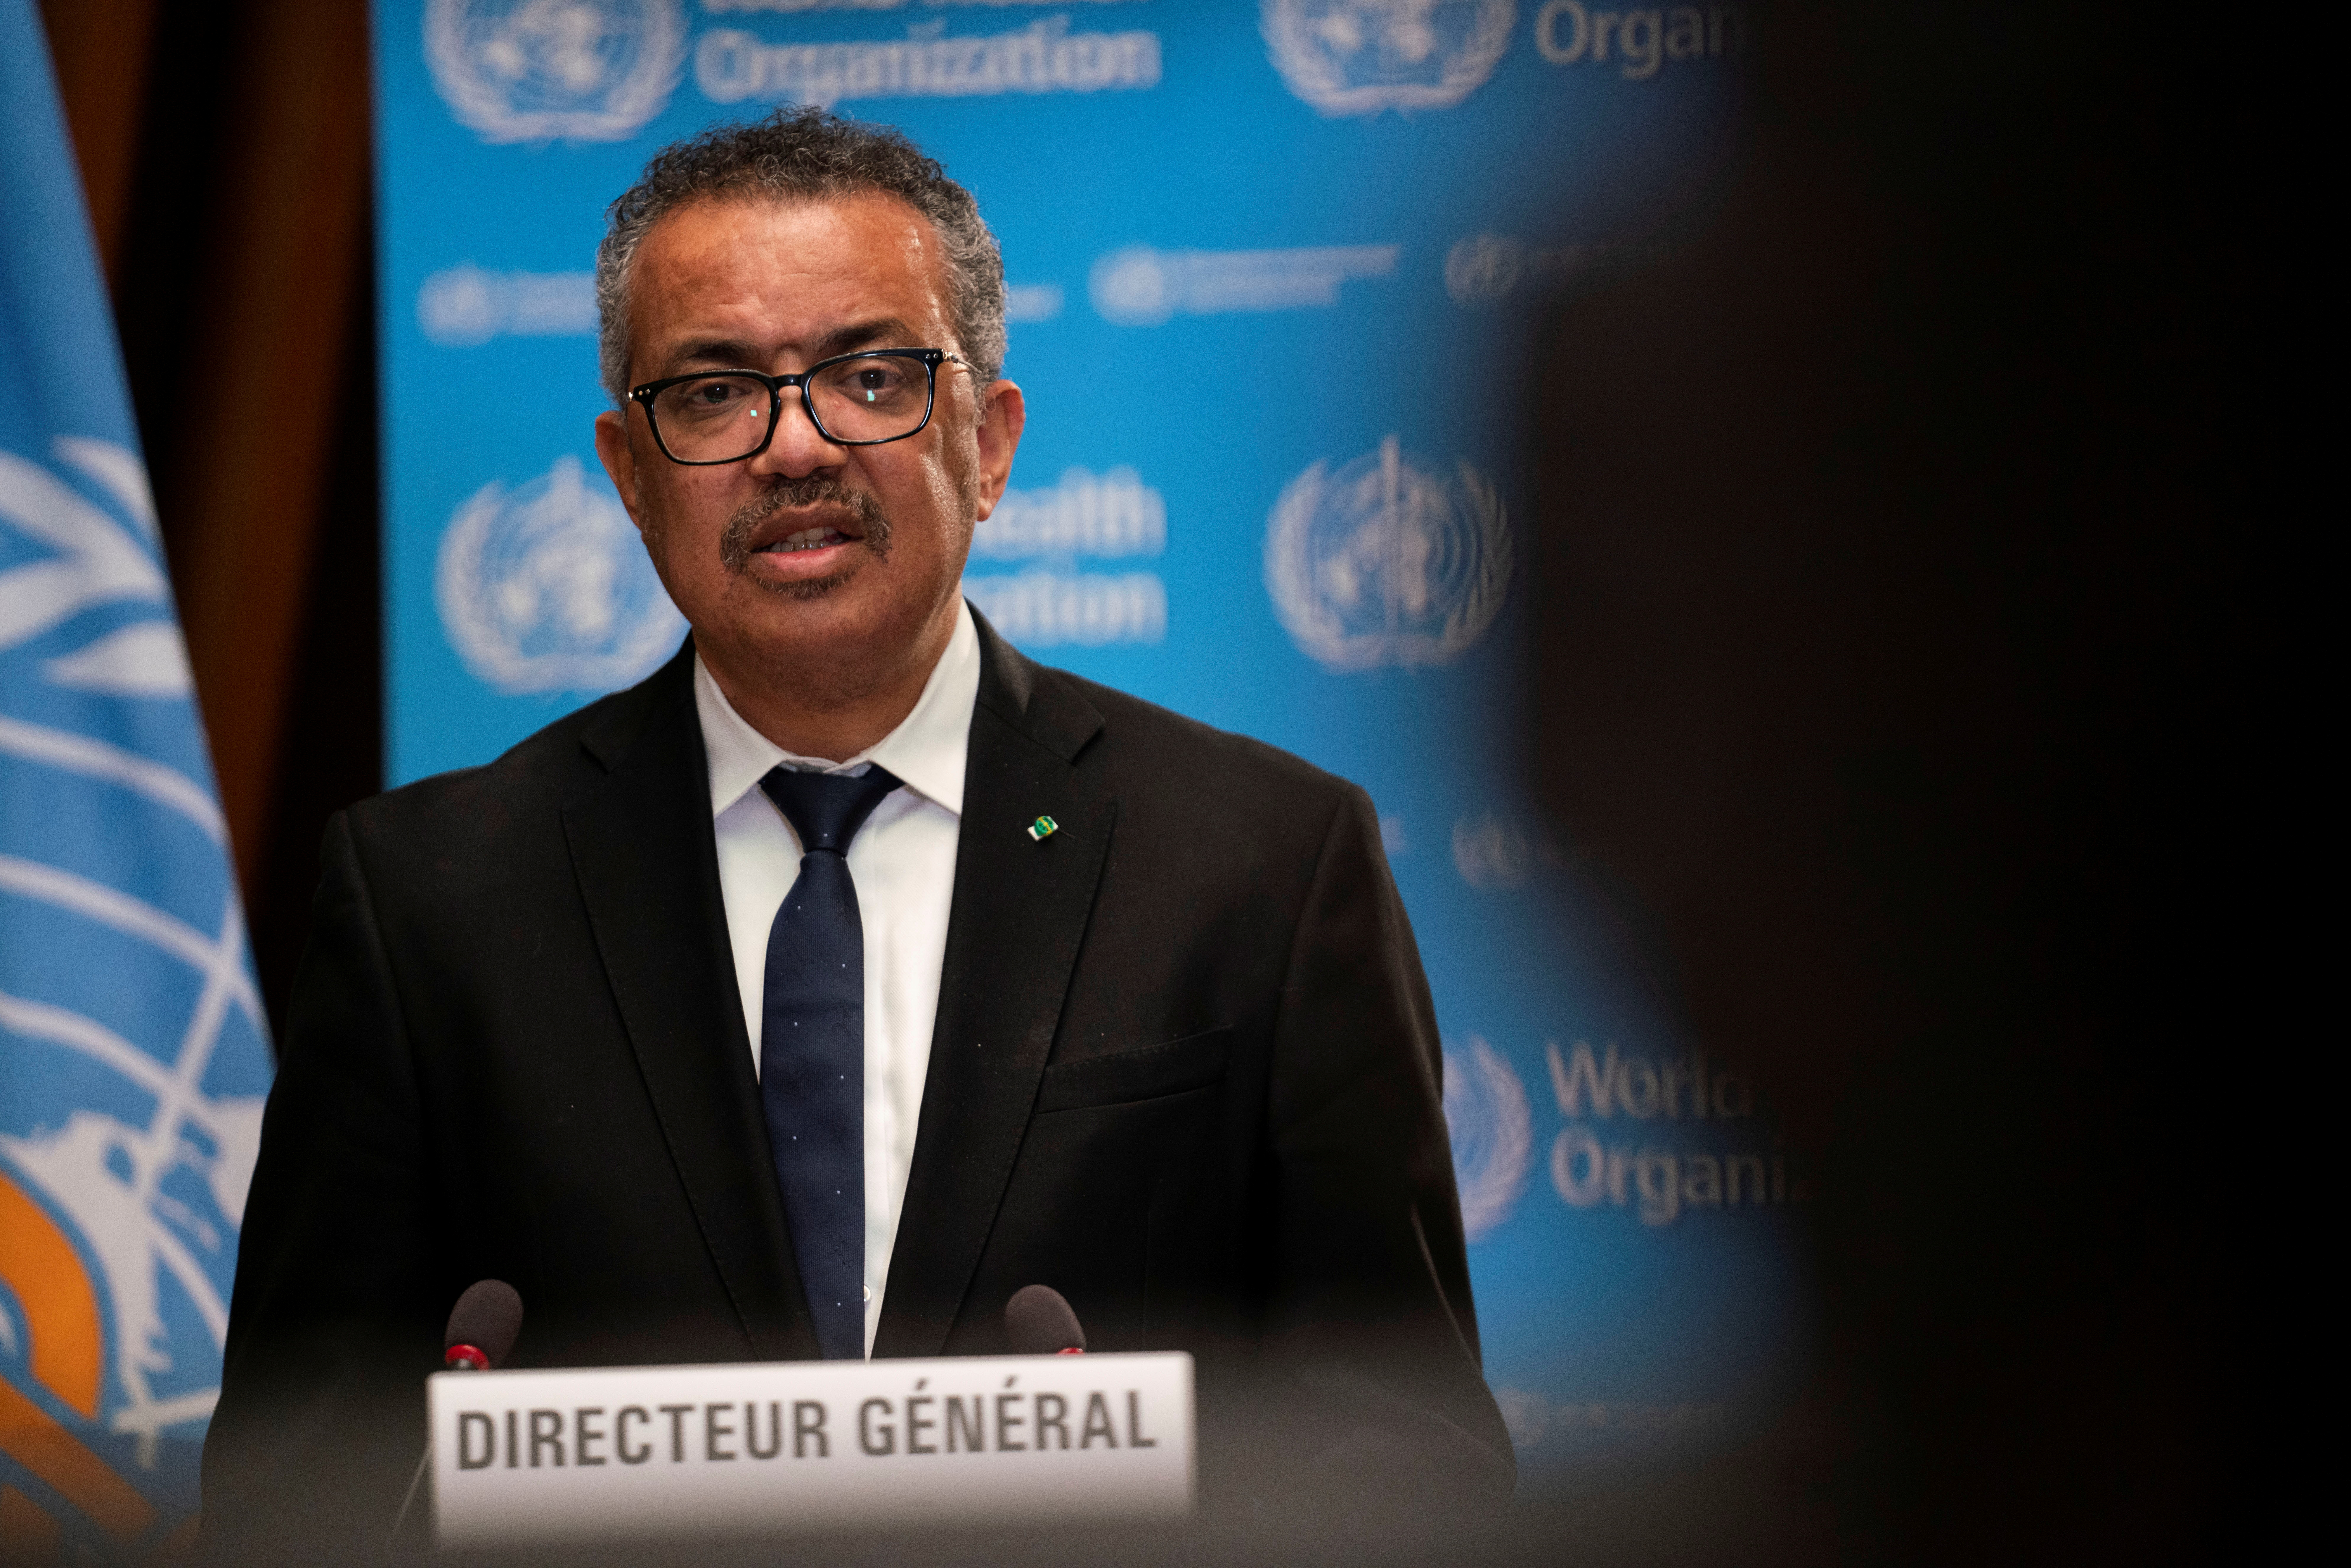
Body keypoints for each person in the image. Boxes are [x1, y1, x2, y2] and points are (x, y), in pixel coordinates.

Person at [199, 108, 1510, 1559]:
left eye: (870, 376)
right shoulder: (431, 900)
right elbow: (293, 1489)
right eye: (710, 395)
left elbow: (1409, 1463)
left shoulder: (1265, 866)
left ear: (991, 439)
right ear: (629, 476)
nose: (795, 444)